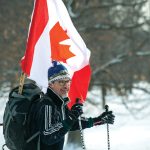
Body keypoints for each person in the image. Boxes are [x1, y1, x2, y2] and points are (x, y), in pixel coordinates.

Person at [24, 61, 115, 150]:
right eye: (61, 82)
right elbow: (48, 136)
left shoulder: (60, 103)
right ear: (50, 84)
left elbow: (71, 124)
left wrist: (98, 120)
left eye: (67, 81)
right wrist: (70, 118)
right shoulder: (46, 105)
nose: (65, 86)